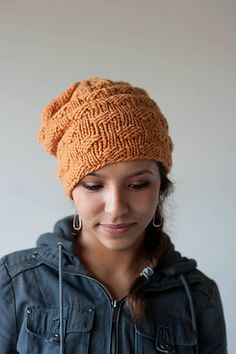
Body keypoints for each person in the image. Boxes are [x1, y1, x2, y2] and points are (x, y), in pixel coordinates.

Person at [0, 78, 227, 354]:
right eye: (94, 186)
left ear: (161, 187)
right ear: (72, 191)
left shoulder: (198, 295)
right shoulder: (14, 284)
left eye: (138, 184)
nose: (116, 208)